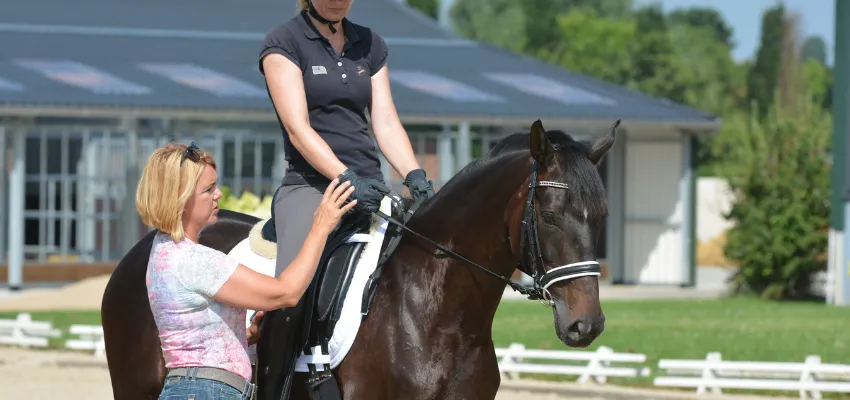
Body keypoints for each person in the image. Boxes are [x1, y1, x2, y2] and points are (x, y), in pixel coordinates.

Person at [258, 0, 437, 342]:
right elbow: (298, 129)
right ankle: (273, 370)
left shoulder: (369, 42)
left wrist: (415, 176)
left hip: (371, 186)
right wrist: (346, 178)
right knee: (290, 295)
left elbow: (385, 121)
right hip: (311, 186)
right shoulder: (283, 41)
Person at [136, 142, 357, 400]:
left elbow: (191, 335)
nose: (218, 194)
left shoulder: (163, 251)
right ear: (180, 199)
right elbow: (287, 292)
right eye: (208, 190)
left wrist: (245, 336)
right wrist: (321, 225)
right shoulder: (195, 261)